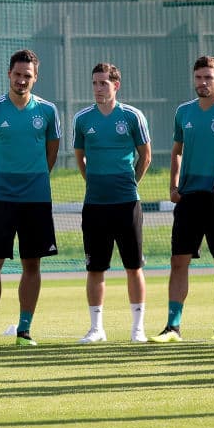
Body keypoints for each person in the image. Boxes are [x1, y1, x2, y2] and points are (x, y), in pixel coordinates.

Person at [0, 49, 61, 347]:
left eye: (27, 76)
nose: (21, 80)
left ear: (35, 78)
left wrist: (34, 177)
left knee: (31, 264)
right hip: (1, 199)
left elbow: (51, 153)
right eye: (17, 74)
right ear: (8, 74)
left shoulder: (48, 111)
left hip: (36, 199)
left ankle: (24, 330)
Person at [155, 56, 214, 343]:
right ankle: (173, 326)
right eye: (199, 77)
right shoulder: (183, 112)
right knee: (179, 261)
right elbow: (176, 150)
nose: (203, 82)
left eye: (208, 78)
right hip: (189, 198)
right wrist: (173, 184)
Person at [72, 62, 152, 344]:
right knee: (95, 268)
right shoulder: (82, 119)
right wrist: (93, 180)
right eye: (94, 83)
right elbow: (80, 157)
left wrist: (131, 182)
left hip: (127, 203)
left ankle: (138, 328)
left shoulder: (132, 116)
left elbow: (146, 156)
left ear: (116, 85)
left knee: (134, 266)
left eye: (103, 83)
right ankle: (96, 328)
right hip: (95, 204)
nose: (98, 89)